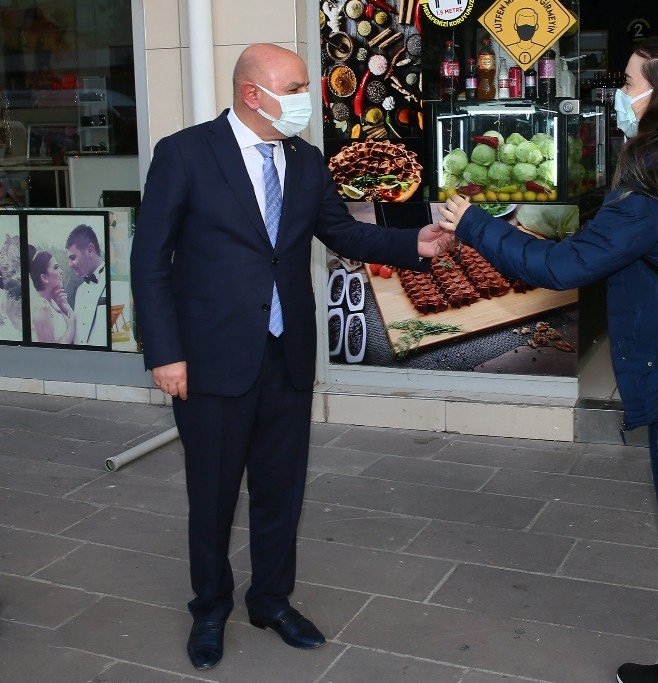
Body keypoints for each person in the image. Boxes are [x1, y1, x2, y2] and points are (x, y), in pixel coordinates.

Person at [439, 35, 658, 683]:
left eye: (629, 84)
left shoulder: (654, 184)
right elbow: (637, 247)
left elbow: (561, 266)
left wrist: (474, 224)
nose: (621, 97)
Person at [130, 43, 453, 671]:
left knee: (281, 491)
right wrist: (164, 353)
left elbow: (345, 231)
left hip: (286, 356)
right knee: (214, 496)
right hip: (210, 357)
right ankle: (210, 609)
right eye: (297, 86)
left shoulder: (306, 161)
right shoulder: (186, 154)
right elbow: (150, 262)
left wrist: (415, 240)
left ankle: (272, 600)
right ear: (254, 93)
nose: (309, 97)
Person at [65, 223, 107, 346]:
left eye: (73, 257)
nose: (70, 264)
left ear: (90, 250)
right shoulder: (79, 291)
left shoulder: (115, 281)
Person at [27, 246, 76, 344]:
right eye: (56, 267)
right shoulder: (41, 307)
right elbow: (51, 351)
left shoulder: (51, 301)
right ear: (44, 277)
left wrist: (63, 306)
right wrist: (72, 325)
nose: (61, 271)